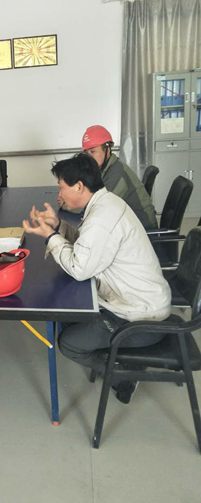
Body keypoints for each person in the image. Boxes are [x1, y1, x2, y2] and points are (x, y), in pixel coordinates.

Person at [23, 154, 171, 404]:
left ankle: (124, 376)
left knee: (68, 344)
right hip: (138, 301)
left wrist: (50, 236)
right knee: (67, 319)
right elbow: (88, 244)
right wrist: (58, 225)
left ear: (79, 186)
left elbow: (79, 268)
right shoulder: (106, 203)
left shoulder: (102, 219)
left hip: (140, 318)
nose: (60, 193)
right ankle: (113, 358)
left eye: (62, 187)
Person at [58, 125, 157, 230]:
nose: (89, 157)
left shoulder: (118, 173)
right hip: (126, 226)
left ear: (107, 150)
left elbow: (96, 204)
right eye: (86, 153)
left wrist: (67, 203)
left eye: (93, 151)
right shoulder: (104, 169)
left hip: (143, 230)